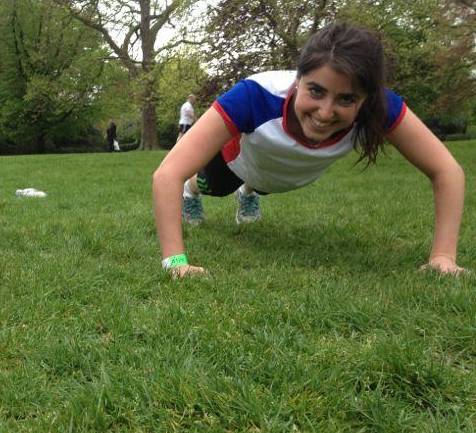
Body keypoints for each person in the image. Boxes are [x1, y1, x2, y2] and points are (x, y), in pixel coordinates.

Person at [153, 23, 466, 277]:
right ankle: (192, 194)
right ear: (298, 79)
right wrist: (175, 262)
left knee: (264, 184)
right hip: (239, 161)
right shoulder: (254, 94)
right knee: (213, 185)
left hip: (284, 175)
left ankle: (251, 193)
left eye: (346, 99)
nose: (326, 112)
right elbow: (167, 172)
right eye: (316, 91)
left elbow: (446, 170)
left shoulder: (380, 106)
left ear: (365, 98)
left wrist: (443, 257)